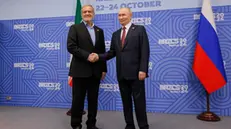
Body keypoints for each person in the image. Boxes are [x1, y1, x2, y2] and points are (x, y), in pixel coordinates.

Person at [91, 7, 150, 129]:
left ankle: (143, 126)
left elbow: (145, 51)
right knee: (126, 102)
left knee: (139, 103)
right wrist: (98, 56)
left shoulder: (139, 29)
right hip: (121, 74)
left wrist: (143, 69)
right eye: (119, 15)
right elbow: (111, 53)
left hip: (136, 74)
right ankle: (129, 125)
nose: (121, 17)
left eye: (123, 15)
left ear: (130, 15)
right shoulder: (116, 34)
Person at [67, 5, 107, 129]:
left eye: (89, 11)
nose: (87, 13)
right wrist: (87, 56)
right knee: (78, 100)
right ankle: (76, 124)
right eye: (85, 11)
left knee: (93, 100)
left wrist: (104, 68)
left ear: (93, 13)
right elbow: (71, 47)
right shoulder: (75, 28)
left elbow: (102, 51)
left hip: (95, 71)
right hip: (79, 71)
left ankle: (91, 124)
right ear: (82, 13)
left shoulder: (99, 31)